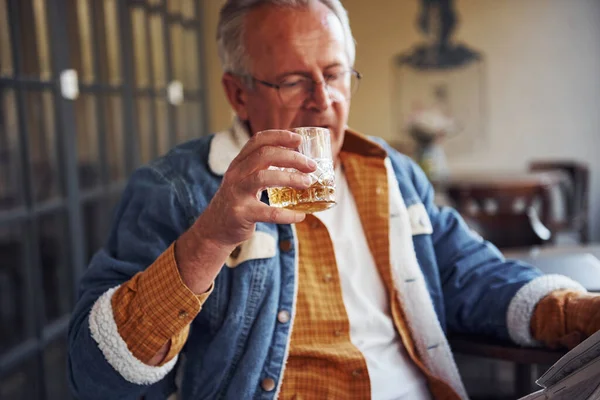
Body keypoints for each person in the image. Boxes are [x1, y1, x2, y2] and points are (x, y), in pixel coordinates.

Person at [67, 1, 600, 399]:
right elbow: (95, 373)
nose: (324, 101)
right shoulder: (175, 188)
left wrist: (577, 311)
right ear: (238, 94)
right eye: (296, 80)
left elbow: (471, 273)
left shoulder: (392, 173)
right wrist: (208, 239)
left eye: (335, 74)